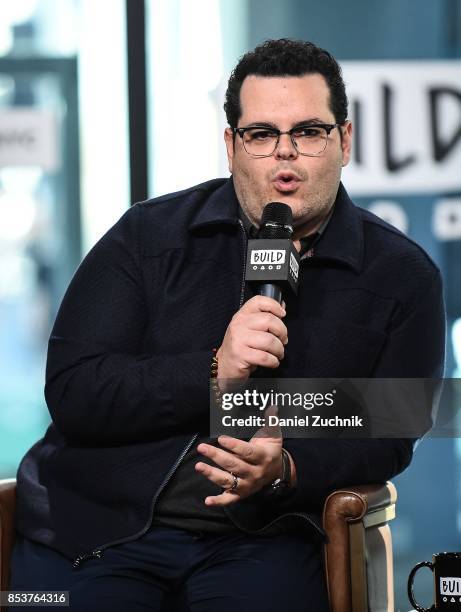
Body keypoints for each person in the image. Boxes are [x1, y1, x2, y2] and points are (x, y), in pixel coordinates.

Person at [9, 39, 445, 611]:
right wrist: (215, 369)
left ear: (345, 140)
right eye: (261, 134)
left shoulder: (402, 276)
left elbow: (393, 427)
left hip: (267, 535)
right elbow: (75, 391)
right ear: (231, 146)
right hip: (96, 531)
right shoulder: (146, 237)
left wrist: (289, 467)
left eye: (309, 132)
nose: (284, 156)